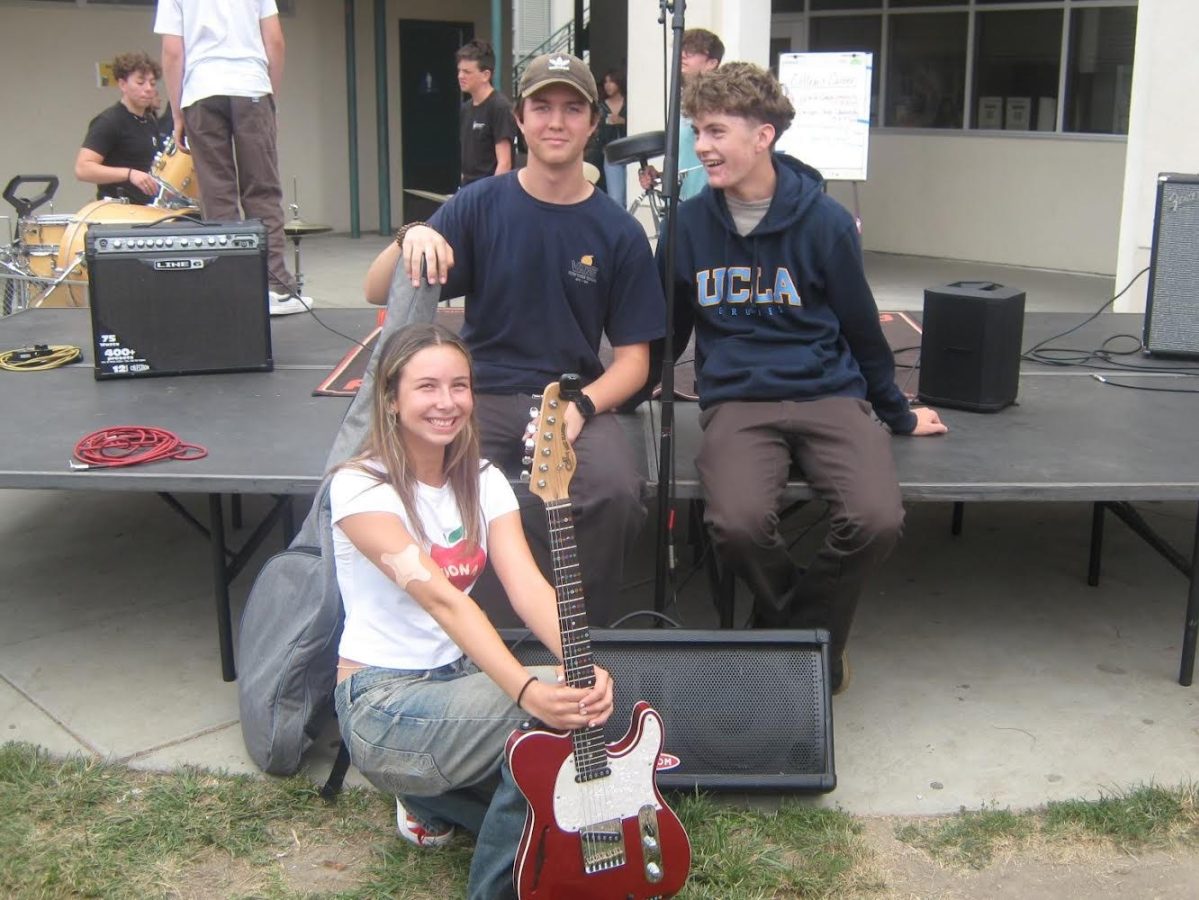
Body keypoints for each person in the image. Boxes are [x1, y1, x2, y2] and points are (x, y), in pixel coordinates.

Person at [664, 62, 948, 693]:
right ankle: (812, 639)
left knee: (875, 518)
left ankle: (791, 632)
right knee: (735, 524)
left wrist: (898, 413)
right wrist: (611, 396)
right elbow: (672, 328)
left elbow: (861, 330)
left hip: (828, 393)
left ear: (763, 135)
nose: (702, 147)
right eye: (697, 131)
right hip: (739, 400)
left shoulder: (824, 223)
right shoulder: (687, 225)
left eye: (716, 131)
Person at [363, 52, 665, 623]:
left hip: (570, 395)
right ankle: (481, 635)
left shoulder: (618, 231)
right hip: (480, 393)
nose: (557, 122)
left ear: (593, 124)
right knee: (448, 487)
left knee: (617, 493)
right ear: (520, 120)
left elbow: (634, 363)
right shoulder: (479, 206)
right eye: (542, 107)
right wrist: (412, 236)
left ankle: (582, 642)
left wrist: (582, 405)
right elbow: (376, 290)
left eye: (573, 109)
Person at [332, 321, 613, 900]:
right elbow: (441, 600)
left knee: (564, 731)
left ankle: (432, 797)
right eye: (427, 387)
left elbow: (528, 587)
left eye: (459, 386)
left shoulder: (483, 480)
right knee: (538, 721)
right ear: (391, 397)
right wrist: (527, 691)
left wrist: (581, 667)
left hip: (456, 685)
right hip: (382, 702)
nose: (447, 402)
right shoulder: (360, 488)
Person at [154, 0, 310, 316]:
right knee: (262, 190)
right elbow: (275, 41)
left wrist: (177, 112)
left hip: (201, 90)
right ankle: (275, 285)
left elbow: (172, 52)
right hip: (251, 85)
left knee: (217, 194)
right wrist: (270, 99)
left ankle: (231, 284)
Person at [639, 28, 724, 203]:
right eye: (682, 49)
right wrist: (661, 176)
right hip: (681, 207)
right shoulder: (682, 99)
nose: (683, 55)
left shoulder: (721, 102)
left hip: (709, 206)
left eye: (692, 52)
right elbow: (688, 162)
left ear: (712, 62)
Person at [74, 52, 168, 205]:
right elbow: (83, 169)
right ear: (122, 84)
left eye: (152, 83)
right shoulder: (109, 121)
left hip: (147, 211)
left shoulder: (150, 120)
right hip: (118, 211)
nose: (149, 89)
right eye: (140, 82)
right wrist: (129, 174)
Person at [456, 40, 518, 187]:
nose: (460, 76)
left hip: (488, 193)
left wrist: (489, 198)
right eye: (459, 70)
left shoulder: (499, 107)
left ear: (485, 75)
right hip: (467, 191)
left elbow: (505, 163)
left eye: (467, 72)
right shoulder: (466, 109)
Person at [597, 68, 628, 207]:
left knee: (633, 194)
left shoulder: (630, 102)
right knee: (616, 198)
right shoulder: (601, 106)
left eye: (611, 82)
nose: (607, 85)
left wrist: (623, 121)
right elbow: (597, 131)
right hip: (611, 154)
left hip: (632, 152)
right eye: (605, 82)